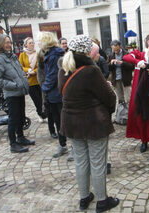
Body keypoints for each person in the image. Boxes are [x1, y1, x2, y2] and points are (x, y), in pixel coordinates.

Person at [58, 35, 119, 212]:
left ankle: (84, 198)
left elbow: (64, 92)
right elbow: (108, 98)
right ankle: (102, 201)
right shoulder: (91, 71)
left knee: (80, 162)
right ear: (86, 50)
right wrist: (110, 90)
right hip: (93, 123)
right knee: (98, 163)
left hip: (71, 122)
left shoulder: (64, 67)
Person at [0, 34, 35, 153]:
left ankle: (20, 137)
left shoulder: (12, 56)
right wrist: (14, 85)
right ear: (0, 44)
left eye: (9, 42)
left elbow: (19, 71)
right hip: (12, 93)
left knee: (21, 115)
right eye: (6, 42)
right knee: (13, 118)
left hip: (20, 91)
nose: (9, 44)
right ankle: (13, 143)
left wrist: (23, 81)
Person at [39, 32, 68, 158]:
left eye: (39, 41)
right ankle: (63, 145)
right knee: (58, 120)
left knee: (63, 120)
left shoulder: (54, 55)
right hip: (55, 93)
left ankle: (69, 147)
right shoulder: (52, 54)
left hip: (57, 93)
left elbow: (52, 76)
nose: (38, 44)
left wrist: (44, 89)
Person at [19, 37, 46, 122]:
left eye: (33, 43)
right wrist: (28, 70)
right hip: (30, 82)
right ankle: (41, 114)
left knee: (42, 99)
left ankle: (44, 114)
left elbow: (41, 66)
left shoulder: (38, 54)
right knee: (36, 100)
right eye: (30, 43)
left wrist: (34, 71)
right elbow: (20, 67)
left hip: (39, 80)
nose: (32, 44)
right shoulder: (22, 55)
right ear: (26, 44)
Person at [36, 49, 58, 139]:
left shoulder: (52, 64)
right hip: (47, 93)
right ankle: (52, 130)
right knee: (50, 114)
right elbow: (41, 81)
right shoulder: (40, 68)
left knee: (57, 113)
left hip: (55, 92)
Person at [107, 40, 134, 104]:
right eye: (114, 50)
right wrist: (111, 63)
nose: (115, 52)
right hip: (116, 79)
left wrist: (122, 63)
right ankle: (122, 113)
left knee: (128, 98)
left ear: (120, 46)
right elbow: (108, 68)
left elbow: (132, 66)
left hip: (126, 79)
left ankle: (129, 112)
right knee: (120, 99)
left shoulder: (127, 54)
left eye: (116, 50)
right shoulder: (110, 56)